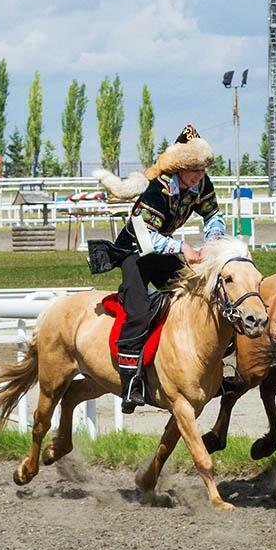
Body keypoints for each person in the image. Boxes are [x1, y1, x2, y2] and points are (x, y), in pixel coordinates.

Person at [93, 123, 224, 412]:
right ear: (179, 167)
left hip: (163, 250)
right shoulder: (156, 190)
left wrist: (213, 242)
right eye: (194, 169)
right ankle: (130, 382)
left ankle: (213, 371)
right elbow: (146, 236)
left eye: (203, 169)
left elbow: (213, 215)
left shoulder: (201, 184)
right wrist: (184, 248)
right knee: (138, 311)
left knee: (200, 294)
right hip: (135, 253)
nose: (200, 175)